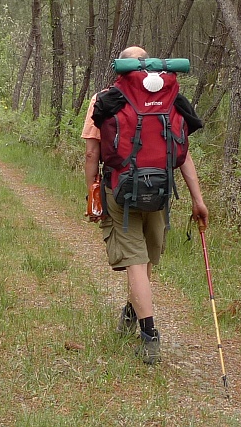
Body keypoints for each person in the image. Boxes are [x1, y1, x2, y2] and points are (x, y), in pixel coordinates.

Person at [82, 46, 209, 364]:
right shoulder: (170, 101)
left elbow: (91, 153)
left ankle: (149, 334)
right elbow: (183, 153)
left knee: (136, 263)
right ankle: (132, 309)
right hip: (161, 193)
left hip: (119, 191)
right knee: (146, 261)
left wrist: (92, 193)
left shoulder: (104, 100)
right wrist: (198, 199)